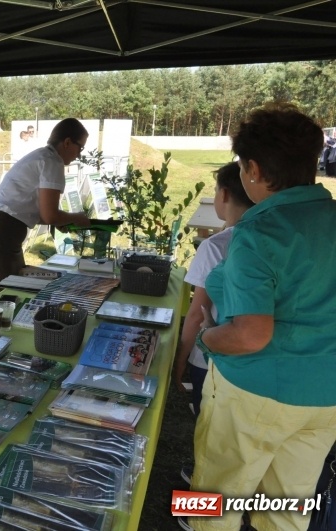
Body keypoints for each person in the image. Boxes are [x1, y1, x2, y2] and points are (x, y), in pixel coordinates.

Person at [188, 103, 336, 531]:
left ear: (252, 169)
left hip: (255, 392)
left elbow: (250, 335)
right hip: (325, 396)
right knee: (288, 509)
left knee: (213, 502)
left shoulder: (258, 231)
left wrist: (207, 338)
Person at [171, 161, 254, 486]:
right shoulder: (266, 240)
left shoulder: (215, 246)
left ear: (224, 195)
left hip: (210, 357)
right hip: (253, 361)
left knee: (209, 431)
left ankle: (203, 490)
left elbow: (196, 313)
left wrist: (180, 361)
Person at [0, 118, 91, 302]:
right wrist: (77, 218)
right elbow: (50, 215)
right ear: (67, 142)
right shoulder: (52, 161)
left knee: (8, 301)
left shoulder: (44, 157)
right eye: (80, 147)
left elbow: (37, 211)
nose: (79, 155)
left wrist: (61, 219)